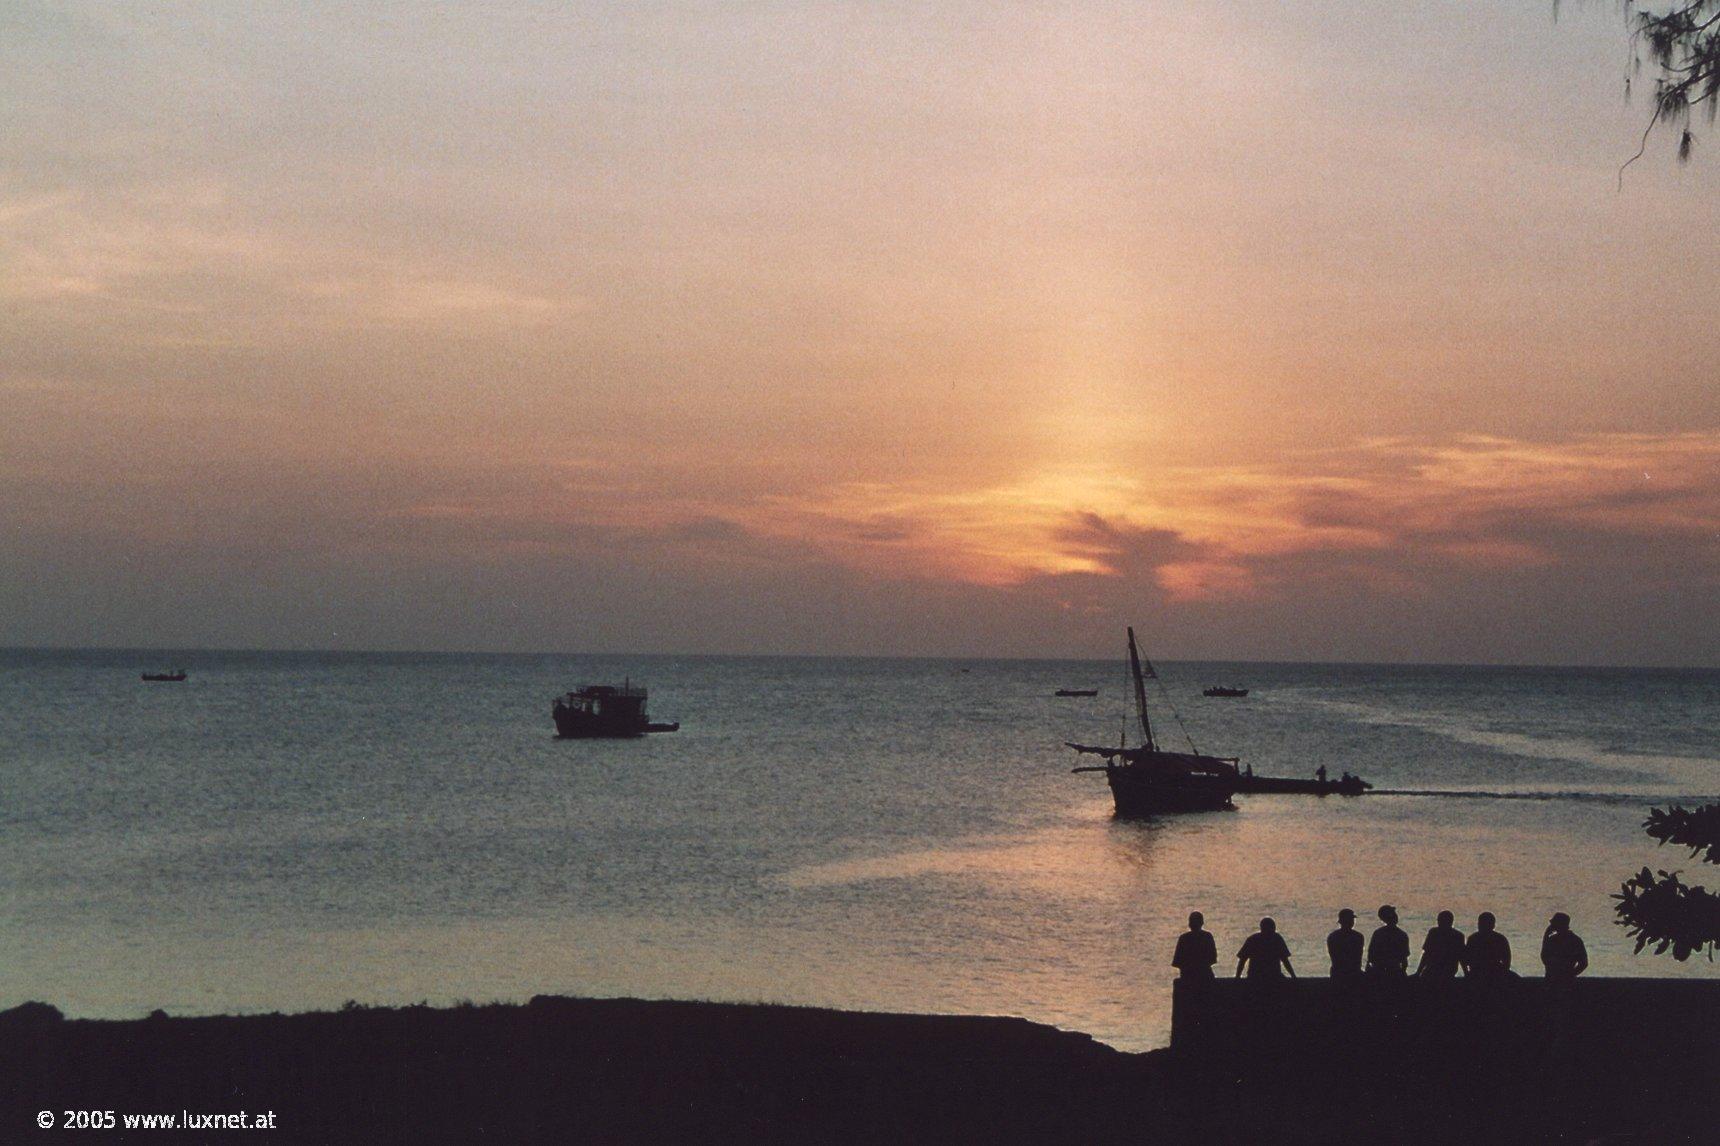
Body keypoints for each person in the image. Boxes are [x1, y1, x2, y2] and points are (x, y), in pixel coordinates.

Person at [1416, 910, 1465, 978]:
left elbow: (1426, 954)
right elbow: (1462, 957)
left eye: (1440, 921)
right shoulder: (1458, 936)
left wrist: (1418, 972)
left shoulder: (1434, 933)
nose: (1439, 923)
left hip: (1438, 971)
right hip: (1444, 972)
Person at [1540, 913, 1589, 981]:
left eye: (1553, 924)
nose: (1551, 926)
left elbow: (1545, 958)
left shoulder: (1574, 941)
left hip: (1554, 980)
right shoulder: (1575, 940)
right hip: (1555, 979)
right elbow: (1545, 958)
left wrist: (1569, 975)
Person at [1463, 912, 1512, 979]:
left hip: (1480, 972)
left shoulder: (1473, 939)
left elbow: (1467, 960)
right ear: (1493, 925)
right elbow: (1507, 961)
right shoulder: (1500, 939)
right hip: (1492, 971)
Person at [1172, 911, 1218, 980]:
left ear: (1189, 924)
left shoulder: (1184, 938)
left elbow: (1177, 962)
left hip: (1187, 978)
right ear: (1202, 923)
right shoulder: (1207, 937)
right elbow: (1213, 958)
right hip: (1205, 977)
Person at [1367, 905, 1409, 976]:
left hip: (1378, 971)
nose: (1396, 916)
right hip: (1394, 971)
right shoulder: (1401, 935)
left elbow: (1371, 956)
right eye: (1393, 914)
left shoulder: (1378, 933)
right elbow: (1404, 959)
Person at [1327, 908, 1364, 977]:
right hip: (1354, 973)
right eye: (1351, 920)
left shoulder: (1332, 936)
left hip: (1337, 972)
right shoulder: (1358, 937)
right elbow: (1357, 957)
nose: (1352, 922)